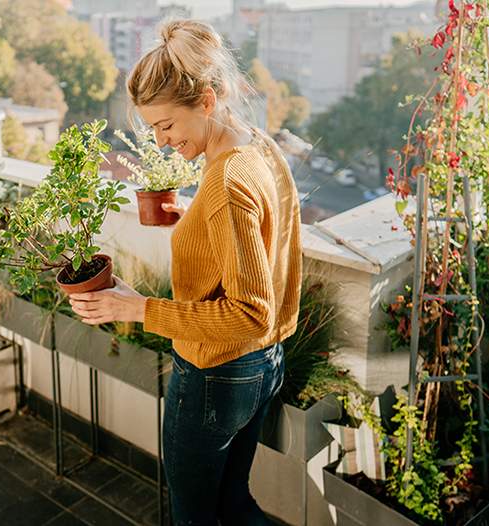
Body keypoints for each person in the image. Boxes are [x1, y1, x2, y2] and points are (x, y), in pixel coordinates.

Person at [68, 19, 303, 526]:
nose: (160, 140)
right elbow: (263, 229)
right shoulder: (254, 144)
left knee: (194, 516)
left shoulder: (228, 182)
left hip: (217, 373)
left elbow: (248, 314)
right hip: (263, 366)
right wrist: (192, 217)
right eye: (152, 129)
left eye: (167, 125)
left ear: (207, 101)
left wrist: (134, 308)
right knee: (233, 504)